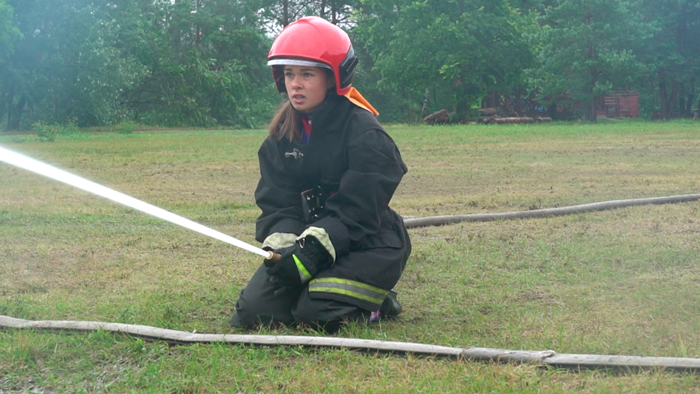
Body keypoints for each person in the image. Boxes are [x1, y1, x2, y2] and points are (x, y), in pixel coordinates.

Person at [230, 16, 411, 333]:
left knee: (315, 311)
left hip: (369, 243)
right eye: (288, 74)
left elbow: (359, 209)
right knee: (253, 313)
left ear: (333, 78)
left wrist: (311, 252)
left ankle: (378, 302)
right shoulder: (280, 139)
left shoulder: (365, 134)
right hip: (307, 239)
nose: (295, 84)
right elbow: (277, 202)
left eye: (306, 74)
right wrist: (285, 247)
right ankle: (319, 286)